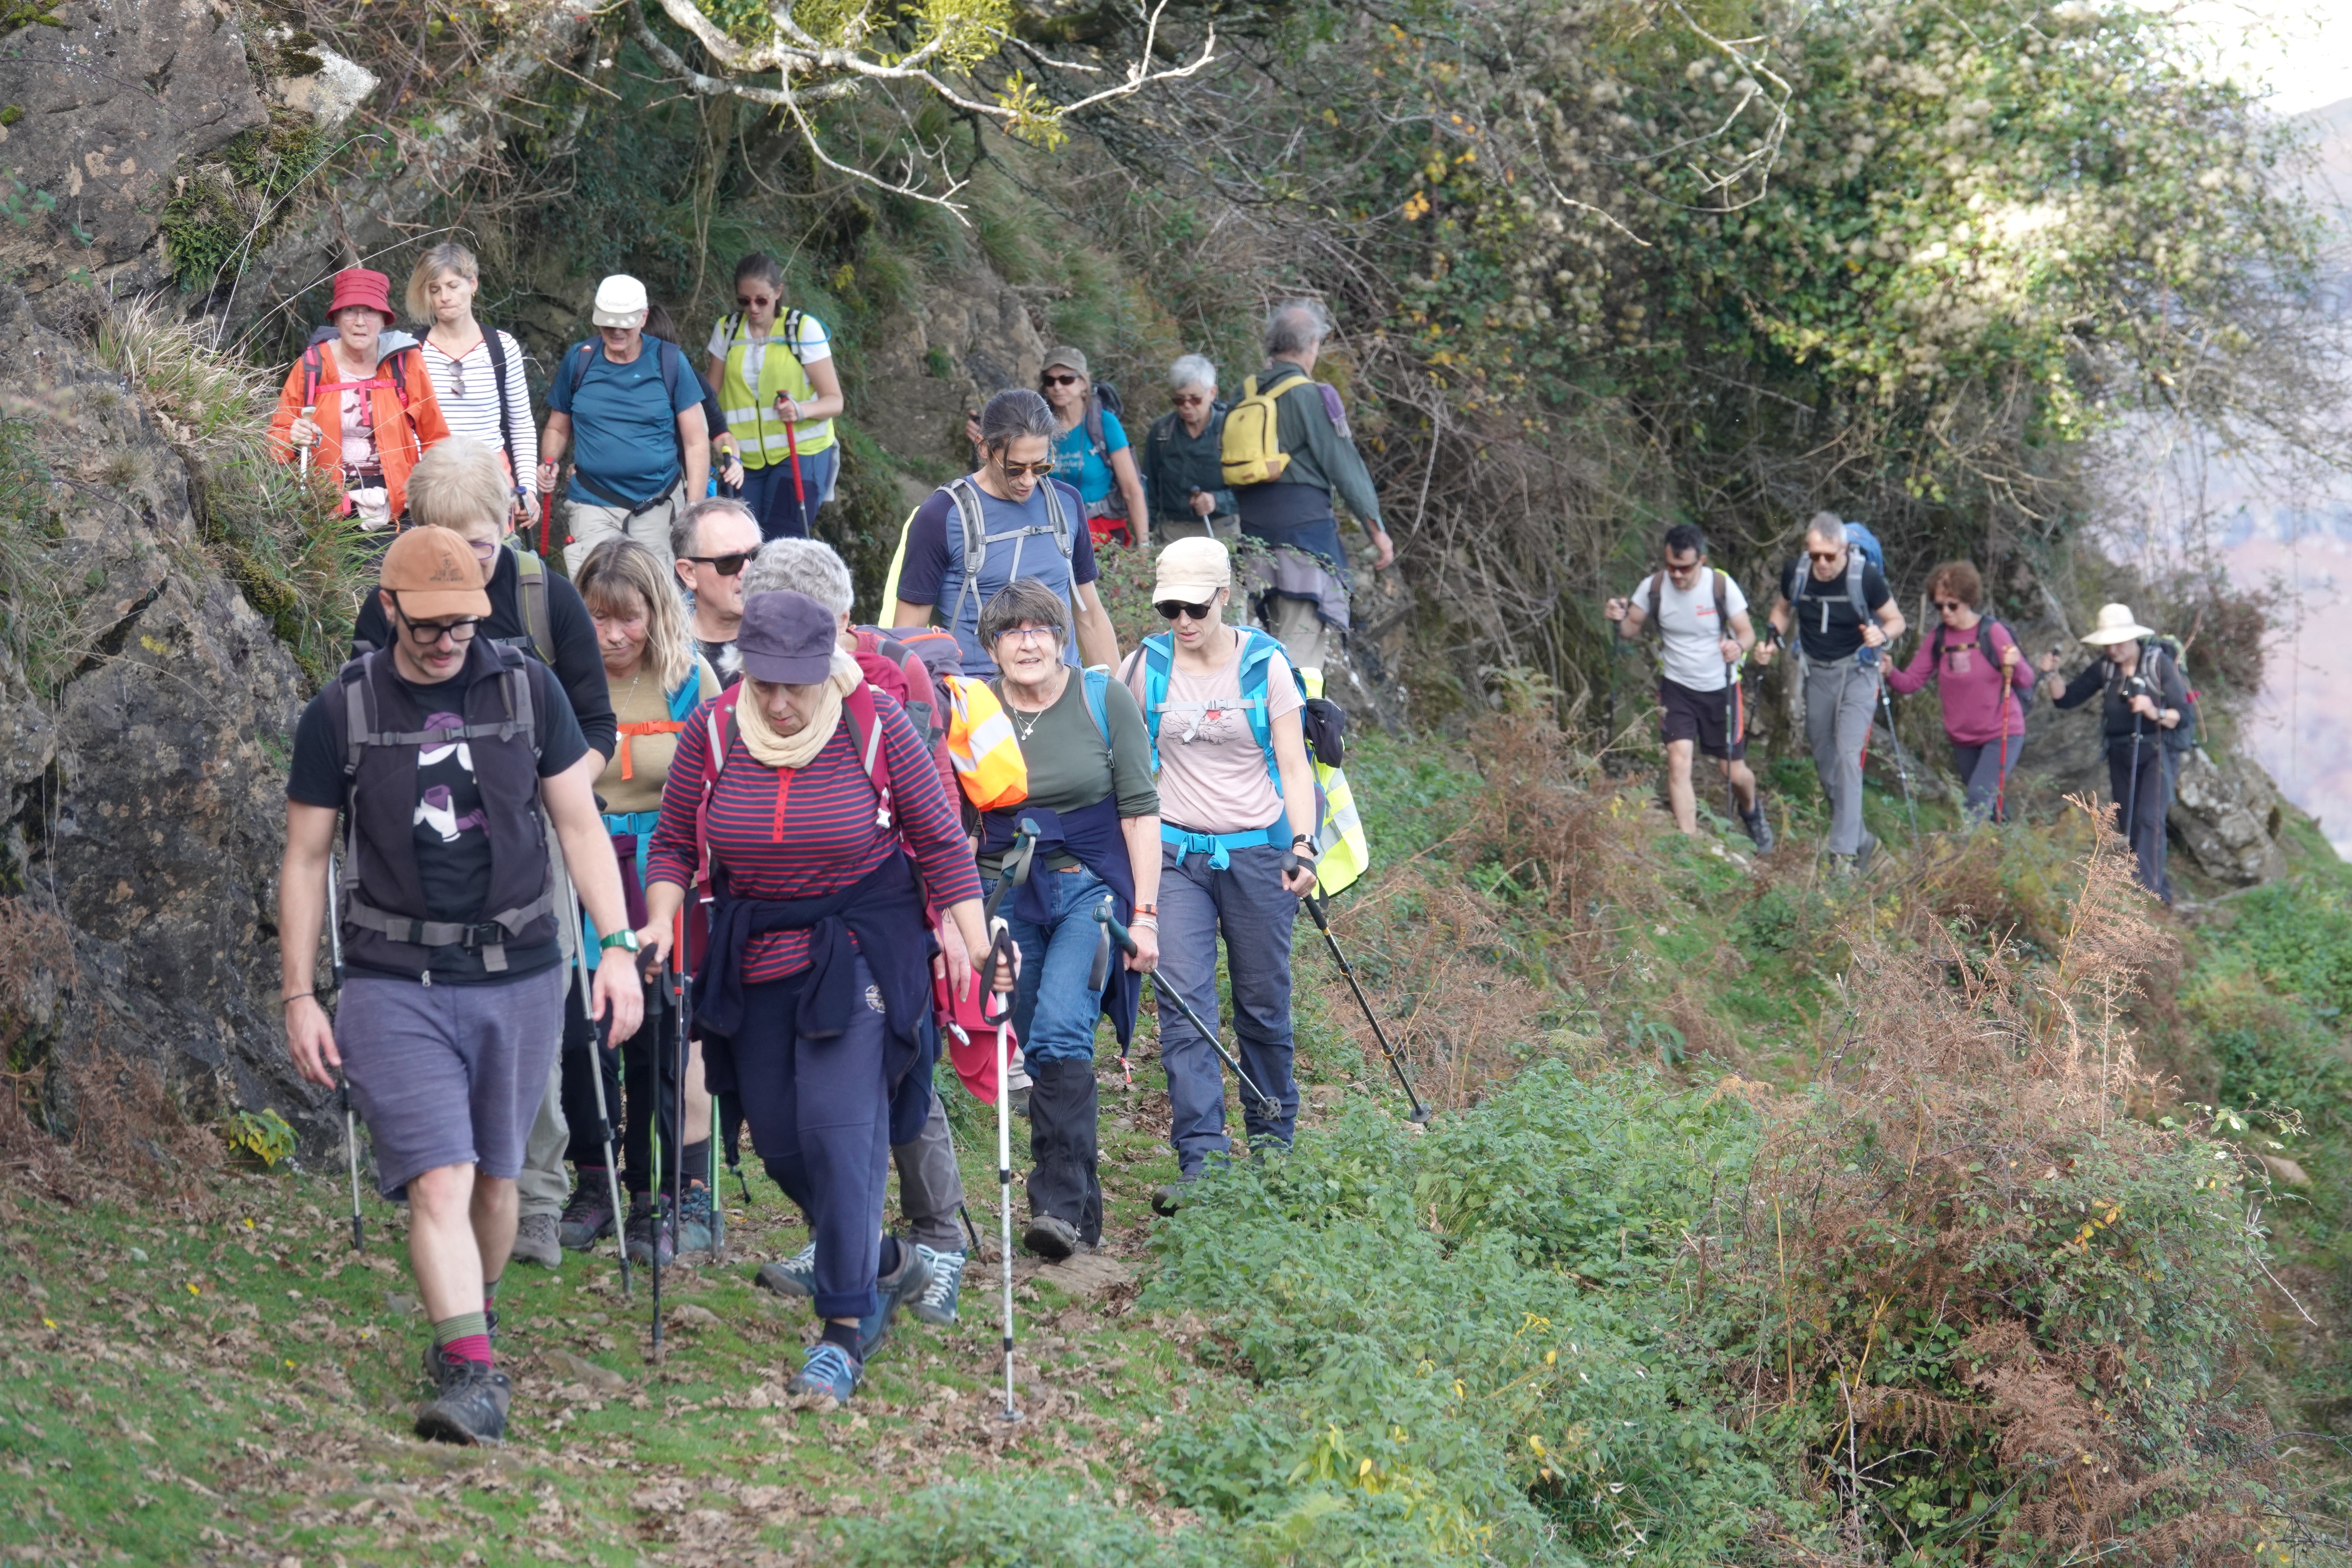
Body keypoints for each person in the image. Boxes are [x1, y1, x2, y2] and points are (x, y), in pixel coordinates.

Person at [279, 526, 644, 1446]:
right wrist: (298, 993)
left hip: (519, 973)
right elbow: (306, 856)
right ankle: (470, 1370)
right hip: (392, 977)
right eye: (432, 625)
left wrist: (615, 945)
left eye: (465, 624)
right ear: (391, 607)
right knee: (440, 1181)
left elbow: (579, 826)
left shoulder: (527, 688)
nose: (450, 642)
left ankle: (471, 1315)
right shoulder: (341, 712)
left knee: (495, 1181)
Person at [638, 592, 1004, 1402]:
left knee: (843, 1134)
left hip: (858, 945)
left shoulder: (874, 723)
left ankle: (843, 1327)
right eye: (763, 680)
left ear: (826, 668)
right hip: (756, 948)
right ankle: (884, 1261)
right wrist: (660, 923)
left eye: (795, 683)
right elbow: (670, 842)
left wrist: (979, 947)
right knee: (781, 1143)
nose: (777, 699)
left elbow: (942, 843)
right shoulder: (712, 728)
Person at [351, 440, 621, 1269]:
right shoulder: (386, 606)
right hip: (421, 847)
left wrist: (544, 788)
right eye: (442, 541)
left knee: (529, 1026)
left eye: (477, 543)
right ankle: (447, 1185)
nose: (462, 563)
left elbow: (597, 726)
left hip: (531, 835)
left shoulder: (545, 598)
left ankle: (533, 1197)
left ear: (509, 523)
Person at [734, 538, 976, 1323]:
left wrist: (940, 916)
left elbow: (933, 808)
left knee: (898, 1072)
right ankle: (852, 1243)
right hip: (792, 921)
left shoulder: (886, 683)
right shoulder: (745, 695)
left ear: (842, 620)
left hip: (888, 906)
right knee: (820, 1103)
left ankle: (937, 1238)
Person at [1118, 539, 1318, 1213]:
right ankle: (1201, 1161)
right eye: (1169, 607)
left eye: (1195, 607)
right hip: (1175, 856)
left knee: (1263, 1006)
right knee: (1184, 1009)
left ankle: (1272, 1149)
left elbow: (1294, 766)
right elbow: (1113, 748)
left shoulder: (1265, 665)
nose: (1182, 620)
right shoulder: (1145, 665)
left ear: (1224, 597)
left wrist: (1305, 845)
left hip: (1259, 854)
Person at [975, 578, 1160, 1258]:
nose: (1027, 641)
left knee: (1060, 1029)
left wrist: (1146, 918)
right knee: (1035, 1040)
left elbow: (1141, 812)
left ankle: (1050, 1205)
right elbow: (958, 822)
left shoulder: (1103, 698)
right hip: (1006, 891)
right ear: (991, 647)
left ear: (1061, 638)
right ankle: (1082, 1210)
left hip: (1091, 890)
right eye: (1010, 631)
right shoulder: (977, 708)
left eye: (1040, 629)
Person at [554, 539, 723, 1266]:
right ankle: (595, 1180)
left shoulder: (689, 681)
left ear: (656, 614)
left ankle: (665, 1188)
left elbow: (728, 768)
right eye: (598, 617)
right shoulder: (564, 677)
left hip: (667, 867)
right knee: (583, 1025)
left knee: (665, 1027)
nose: (615, 635)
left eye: (629, 619)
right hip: (589, 860)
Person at [888, 389, 1121, 676]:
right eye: (1014, 469)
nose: (1028, 480)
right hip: (979, 701)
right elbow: (908, 635)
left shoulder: (1067, 504)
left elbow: (1090, 617)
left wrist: (1119, 703)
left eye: (1041, 466)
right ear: (984, 447)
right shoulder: (941, 516)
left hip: (1061, 696)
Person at [1228, 301, 1396, 675]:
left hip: (1253, 539)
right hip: (1303, 542)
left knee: (1266, 645)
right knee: (1300, 651)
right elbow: (1344, 466)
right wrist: (1377, 531)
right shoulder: (1312, 395)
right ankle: (1299, 728)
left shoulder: (1245, 392)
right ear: (1312, 345)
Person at [1756, 512, 1906, 871]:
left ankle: (1843, 859)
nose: (1821, 563)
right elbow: (1781, 610)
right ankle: (1863, 840)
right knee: (1825, 764)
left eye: (1829, 556)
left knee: (1847, 755)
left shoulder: (1864, 577)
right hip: (1817, 674)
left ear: (1843, 549)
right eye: (1815, 555)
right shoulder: (1797, 573)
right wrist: (1772, 640)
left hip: (1858, 673)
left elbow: (1896, 620)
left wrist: (1882, 635)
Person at [1604, 525, 1770, 850]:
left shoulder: (1721, 586)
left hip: (1720, 689)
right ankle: (1689, 845)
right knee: (1679, 761)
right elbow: (1629, 628)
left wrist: (1738, 647)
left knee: (1734, 773)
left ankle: (1751, 811)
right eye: (1671, 567)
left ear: (1702, 561)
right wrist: (1616, 616)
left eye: (1685, 568)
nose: (1677, 575)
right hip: (1677, 687)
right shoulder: (1653, 587)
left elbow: (1747, 633)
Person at [538, 275, 709, 576]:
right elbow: (557, 427)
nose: (616, 332)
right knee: (595, 595)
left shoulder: (669, 361)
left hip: (658, 505)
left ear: (644, 318)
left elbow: (696, 440)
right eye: (608, 324)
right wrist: (550, 461)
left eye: (625, 324)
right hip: (593, 502)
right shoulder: (580, 361)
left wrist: (693, 508)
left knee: (655, 600)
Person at [271, 267, 452, 532]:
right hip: (324, 508)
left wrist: (434, 500)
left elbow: (435, 437)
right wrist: (293, 438)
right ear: (336, 318)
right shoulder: (312, 366)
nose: (360, 321)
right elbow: (276, 440)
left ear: (383, 319)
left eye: (370, 311)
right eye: (350, 311)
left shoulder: (405, 362)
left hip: (397, 509)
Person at [2038, 604, 2188, 901]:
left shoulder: (2159, 664)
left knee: (2149, 818)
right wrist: (2051, 674)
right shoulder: (2105, 668)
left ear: (2133, 638)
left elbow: (2181, 715)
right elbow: (2066, 699)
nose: (2114, 649)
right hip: (2120, 752)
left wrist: (2152, 710)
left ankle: (2146, 893)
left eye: (2119, 642)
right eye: (2109, 643)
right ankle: (2161, 894)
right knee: (2131, 820)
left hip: (2158, 750)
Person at [707, 254, 845, 541]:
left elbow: (835, 401)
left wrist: (801, 410)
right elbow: (710, 398)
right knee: (741, 546)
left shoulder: (802, 329)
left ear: (778, 293)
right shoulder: (727, 330)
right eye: (744, 301)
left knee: (783, 543)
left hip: (800, 453)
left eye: (762, 300)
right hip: (744, 461)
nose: (753, 308)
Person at [1885, 561, 2035, 824]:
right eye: (1939, 606)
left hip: (2000, 734)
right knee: (1990, 808)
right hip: (1962, 739)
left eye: (1952, 605)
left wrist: (2016, 662)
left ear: (1968, 600)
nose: (1945, 612)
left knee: (1977, 801)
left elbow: (2026, 679)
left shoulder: (1992, 632)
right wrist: (1889, 672)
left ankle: (1963, 859)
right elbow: (1910, 683)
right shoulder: (1938, 638)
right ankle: (2009, 855)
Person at [407, 242, 537, 525]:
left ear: (473, 284)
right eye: (435, 289)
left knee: (494, 565)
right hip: (433, 486)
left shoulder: (502, 347)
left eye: (453, 286)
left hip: (492, 484)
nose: (444, 297)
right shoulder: (411, 350)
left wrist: (528, 489)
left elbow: (522, 424)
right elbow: (403, 430)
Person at [1038, 347, 1149, 548]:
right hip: (1055, 536)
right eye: (1050, 380)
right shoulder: (1039, 429)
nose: (1057, 387)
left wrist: (1144, 546)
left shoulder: (1104, 424)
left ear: (1083, 382)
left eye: (1066, 379)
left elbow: (1132, 490)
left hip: (1104, 535)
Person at [1137, 355, 1236, 544]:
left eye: (1196, 399)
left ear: (1212, 393)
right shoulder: (1162, 432)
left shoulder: (1231, 430)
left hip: (1221, 529)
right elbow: (1148, 488)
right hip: (1172, 532)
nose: (1187, 406)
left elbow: (1250, 489)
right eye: (1179, 400)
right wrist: (1145, 538)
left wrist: (1218, 501)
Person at [674, 497, 765, 687]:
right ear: (689, 573)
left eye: (757, 556)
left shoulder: (792, 640)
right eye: (729, 562)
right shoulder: (661, 650)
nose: (748, 571)